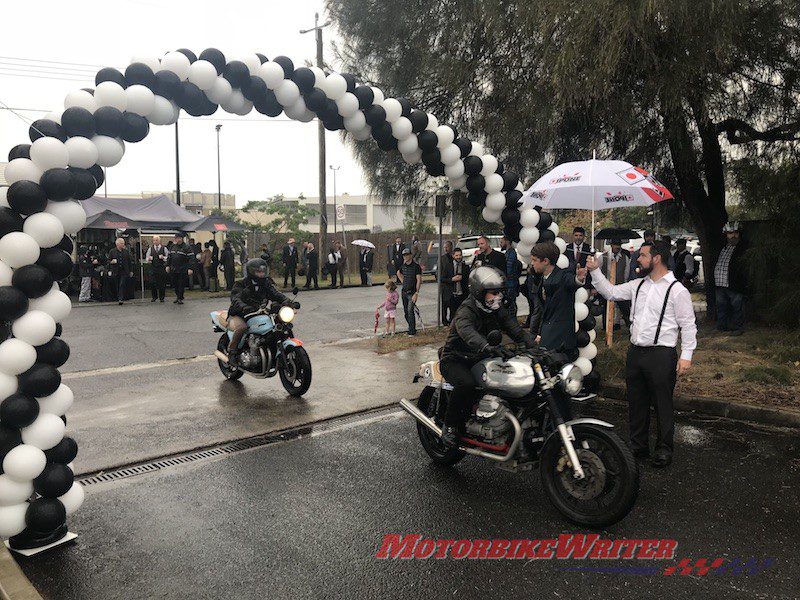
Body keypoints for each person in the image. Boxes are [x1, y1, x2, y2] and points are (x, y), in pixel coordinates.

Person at [587, 240, 697, 468]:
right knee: (636, 402)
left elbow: (688, 325)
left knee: (662, 403)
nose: (638, 258)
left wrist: (686, 355)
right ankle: (638, 446)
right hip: (636, 353)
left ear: (656, 258)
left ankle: (664, 449)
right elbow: (611, 293)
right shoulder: (638, 285)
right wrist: (595, 269)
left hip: (662, 354)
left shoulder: (676, 290)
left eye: (643, 255)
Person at [439, 266, 537, 447]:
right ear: (479, 292)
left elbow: (514, 328)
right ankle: (450, 426)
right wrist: (487, 346)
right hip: (456, 358)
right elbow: (468, 333)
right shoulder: (466, 311)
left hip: (480, 357)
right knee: (466, 384)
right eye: (493, 293)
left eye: (499, 292)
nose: (497, 297)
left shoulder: (495, 309)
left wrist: (535, 346)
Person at [227, 258, 299, 366]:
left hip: (258, 311)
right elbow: (236, 299)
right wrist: (244, 307)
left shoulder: (266, 283)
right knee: (242, 327)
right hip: (240, 313)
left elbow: (276, 294)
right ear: (251, 272)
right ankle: (232, 353)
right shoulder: (241, 284)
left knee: (277, 324)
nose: (261, 274)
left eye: (263, 271)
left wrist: (287, 302)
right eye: (258, 271)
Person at [529, 242, 585, 356]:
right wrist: (540, 334)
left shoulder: (563, 275)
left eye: (534, 260)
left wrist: (578, 279)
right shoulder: (542, 278)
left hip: (560, 340)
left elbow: (570, 281)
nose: (532, 263)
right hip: (547, 335)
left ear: (545, 261)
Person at [713, 222, 747, 335]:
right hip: (720, 284)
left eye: (736, 232)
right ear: (726, 234)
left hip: (734, 284)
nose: (733, 235)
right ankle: (721, 327)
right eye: (730, 233)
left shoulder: (743, 248)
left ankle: (738, 328)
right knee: (721, 307)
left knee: (737, 307)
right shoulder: (723, 247)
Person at [600, 238, 631, 327]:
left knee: (625, 309)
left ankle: (629, 326)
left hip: (620, 287)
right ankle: (606, 327)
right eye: (615, 245)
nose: (617, 247)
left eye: (619, 245)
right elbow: (599, 271)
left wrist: (624, 284)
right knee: (607, 308)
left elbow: (626, 273)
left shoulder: (625, 258)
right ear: (611, 245)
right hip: (607, 287)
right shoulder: (603, 257)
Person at [440, 246, 470, 326]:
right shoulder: (448, 266)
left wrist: (462, 278)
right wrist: (452, 279)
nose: (458, 257)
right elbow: (442, 278)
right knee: (452, 313)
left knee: (461, 313)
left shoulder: (465, 267)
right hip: (451, 293)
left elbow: (468, 279)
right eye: (456, 255)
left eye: (460, 255)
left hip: (462, 294)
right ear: (453, 256)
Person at [397, 248, 422, 335]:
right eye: (404, 255)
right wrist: (403, 281)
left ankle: (412, 331)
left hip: (412, 293)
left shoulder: (416, 266)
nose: (405, 256)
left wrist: (417, 293)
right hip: (404, 292)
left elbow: (419, 280)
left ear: (410, 255)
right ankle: (411, 327)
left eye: (407, 255)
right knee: (406, 312)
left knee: (410, 311)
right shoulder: (403, 266)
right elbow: (398, 273)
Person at [166, 233, 194, 304]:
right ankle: (178, 296)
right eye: (176, 238)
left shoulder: (187, 247)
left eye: (179, 238)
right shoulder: (172, 247)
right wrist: (167, 265)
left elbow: (191, 259)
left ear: (182, 238)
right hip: (174, 269)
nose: (178, 239)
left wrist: (190, 268)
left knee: (181, 284)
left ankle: (180, 297)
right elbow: (169, 257)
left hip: (182, 269)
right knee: (174, 284)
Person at [107, 237, 134, 305]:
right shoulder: (112, 251)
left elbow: (129, 262)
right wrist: (111, 262)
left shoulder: (126, 251)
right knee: (117, 284)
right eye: (122, 243)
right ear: (117, 244)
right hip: (115, 270)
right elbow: (108, 261)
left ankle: (120, 298)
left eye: (123, 243)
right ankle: (119, 296)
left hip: (124, 271)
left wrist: (131, 271)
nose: (123, 245)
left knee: (122, 284)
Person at [500, 235, 521, 316]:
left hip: (511, 283)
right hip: (510, 283)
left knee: (511, 305)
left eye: (502, 242)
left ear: (507, 241)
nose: (500, 244)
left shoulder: (511, 253)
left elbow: (509, 269)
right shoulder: (508, 252)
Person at [145, 235, 169, 302]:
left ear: (159, 241)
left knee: (162, 283)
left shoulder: (164, 248)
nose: (155, 242)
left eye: (156, 240)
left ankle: (162, 297)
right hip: (153, 268)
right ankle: (154, 297)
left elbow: (168, 257)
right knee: (152, 283)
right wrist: (148, 259)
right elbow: (146, 258)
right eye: (154, 240)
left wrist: (163, 258)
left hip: (161, 268)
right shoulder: (150, 248)